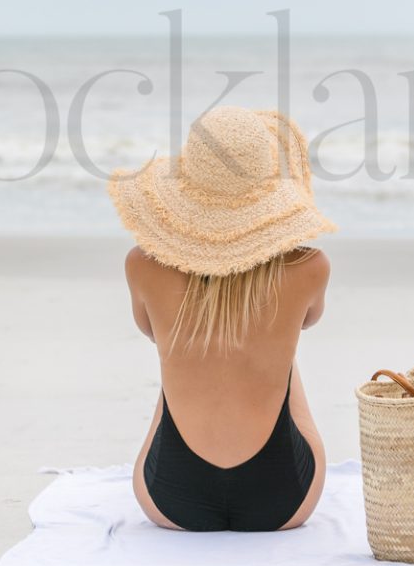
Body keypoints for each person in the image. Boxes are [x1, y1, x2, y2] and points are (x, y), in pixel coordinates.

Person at [107, 105, 338, 532]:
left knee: (181, 352)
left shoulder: (142, 264)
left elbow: (150, 331)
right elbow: (309, 320)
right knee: (282, 353)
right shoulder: (310, 267)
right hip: (285, 500)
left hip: (170, 500)